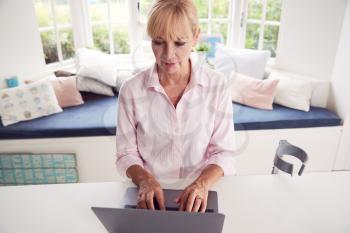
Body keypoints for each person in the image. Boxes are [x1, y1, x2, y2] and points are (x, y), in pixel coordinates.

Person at [116, 0, 236, 213]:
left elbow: (223, 152)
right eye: (159, 42)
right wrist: (145, 181)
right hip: (149, 195)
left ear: (195, 36)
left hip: (200, 195)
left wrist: (202, 184)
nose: (168, 54)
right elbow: (126, 153)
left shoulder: (217, 85)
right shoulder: (131, 89)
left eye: (179, 43)